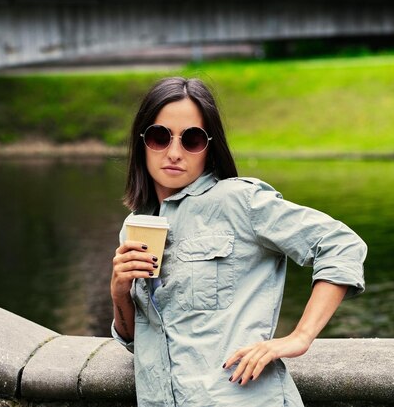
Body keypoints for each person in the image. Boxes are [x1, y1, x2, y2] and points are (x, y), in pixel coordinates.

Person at [110, 77, 366, 406]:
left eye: (191, 139)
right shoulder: (135, 226)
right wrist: (120, 291)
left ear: (208, 147)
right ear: (142, 141)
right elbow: (139, 342)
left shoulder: (239, 201)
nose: (174, 153)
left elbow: (340, 243)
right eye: (160, 137)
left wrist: (299, 338)